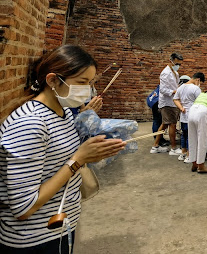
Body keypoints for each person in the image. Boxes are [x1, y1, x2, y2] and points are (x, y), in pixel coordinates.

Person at [0, 45, 126, 252]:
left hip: (60, 227)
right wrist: (79, 159)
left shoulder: (64, 112)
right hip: (35, 238)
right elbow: (24, 207)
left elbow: (61, 159)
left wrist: (96, 151)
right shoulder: (30, 124)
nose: (87, 90)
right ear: (52, 80)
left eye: (91, 83)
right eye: (82, 83)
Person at [150, 53, 183, 155]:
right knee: (172, 124)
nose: (178, 66)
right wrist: (175, 92)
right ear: (171, 61)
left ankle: (155, 146)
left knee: (164, 124)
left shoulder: (175, 73)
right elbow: (163, 90)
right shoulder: (165, 73)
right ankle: (173, 148)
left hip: (173, 102)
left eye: (180, 64)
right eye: (177, 63)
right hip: (167, 103)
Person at [173, 72, 205, 163]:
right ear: (198, 80)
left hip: (183, 116)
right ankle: (189, 155)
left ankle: (183, 153)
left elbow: (175, 99)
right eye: (200, 82)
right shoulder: (196, 88)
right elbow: (200, 102)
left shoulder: (181, 87)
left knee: (184, 134)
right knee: (192, 136)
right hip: (193, 115)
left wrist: (181, 108)